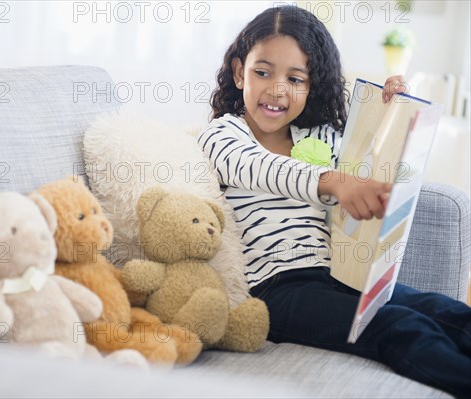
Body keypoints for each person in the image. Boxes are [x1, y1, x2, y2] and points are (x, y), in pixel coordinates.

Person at [198, 5, 471, 397]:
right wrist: (334, 181)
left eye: (295, 79)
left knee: (445, 311)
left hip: (343, 272)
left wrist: (391, 115)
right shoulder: (224, 135)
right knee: (397, 326)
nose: (277, 89)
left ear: (312, 86)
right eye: (263, 72)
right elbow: (260, 168)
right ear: (240, 72)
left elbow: (372, 170)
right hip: (280, 290)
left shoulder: (320, 137)